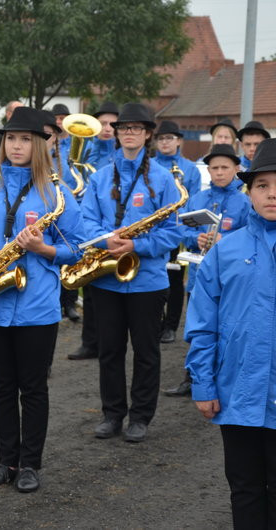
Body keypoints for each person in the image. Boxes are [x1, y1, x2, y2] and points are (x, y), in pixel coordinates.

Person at [0, 107, 85, 492]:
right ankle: (6, 461)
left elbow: (78, 249)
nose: (16, 146)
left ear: (40, 145)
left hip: (37, 306)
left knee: (32, 388)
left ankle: (30, 463)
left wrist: (45, 250)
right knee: (1, 386)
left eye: (25, 140)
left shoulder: (57, 192)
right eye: (11, 139)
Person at [184, 137, 276, 529]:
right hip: (238, 391)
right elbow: (203, 323)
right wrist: (203, 384)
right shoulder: (226, 250)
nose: (272, 195)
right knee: (245, 487)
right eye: (262, 186)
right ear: (249, 192)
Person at [80, 103, 182, 443]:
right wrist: (106, 240)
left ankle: (140, 416)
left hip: (148, 281)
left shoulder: (163, 179)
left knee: (146, 351)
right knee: (109, 350)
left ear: (148, 133)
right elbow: (84, 221)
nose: (129, 133)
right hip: (108, 277)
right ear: (117, 133)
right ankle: (112, 414)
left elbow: (172, 232)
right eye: (125, 128)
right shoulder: (99, 176)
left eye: (137, 128)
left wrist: (137, 247)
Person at [163, 144, 249, 397]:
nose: (219, 172)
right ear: (208, 170)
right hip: (199, 279)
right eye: (214, 168)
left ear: (236, 169)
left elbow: (250, 235)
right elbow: (183, 229)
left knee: (229, 329)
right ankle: (193, 379)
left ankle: (227, 379)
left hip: (232, 281)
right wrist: (195, 239)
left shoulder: (244, 202)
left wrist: (226, 239)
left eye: (225, 167)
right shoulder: (198, 199)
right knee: (199, 328)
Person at [68, 101, 120, 361]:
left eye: (113, 124)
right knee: (89, 285)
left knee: (112, 289)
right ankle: (90, 342)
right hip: (87, 226)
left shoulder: (120, 156)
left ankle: (112, 342)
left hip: (115, 230)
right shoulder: (84, 155)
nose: (108, 129)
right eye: (103, 124)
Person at [152, 120, 201, 344]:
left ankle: (171, 325)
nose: (165, 142)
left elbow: (194, 200)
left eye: (169, 138)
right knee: (152, 276)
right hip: (153, 230)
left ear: (179, 141)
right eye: (161, 138)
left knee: (174, 280)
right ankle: (155, 321)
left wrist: (183, 227)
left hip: (178, 229)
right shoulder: (150, 165)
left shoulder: (189, 168)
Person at [40, 109, 81, 323]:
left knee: (66, 258)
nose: (44, 138)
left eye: (49, 133)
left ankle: (70, 302)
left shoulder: (64, 159)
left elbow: (74, 182)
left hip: (64, 210)